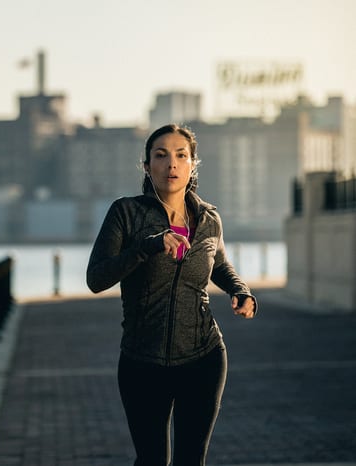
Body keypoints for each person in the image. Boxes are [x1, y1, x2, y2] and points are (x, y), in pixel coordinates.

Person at [86, 123, 256, 466]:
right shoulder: (126, 213)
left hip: (204, 357)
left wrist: (241, 291)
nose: (171, 164)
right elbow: (96, 278)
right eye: (160, 156)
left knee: (191, 460)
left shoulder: (209, 218)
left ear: (193, 164)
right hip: (142, 360)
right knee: (151, 460)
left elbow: (220, 265)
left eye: (181, 155)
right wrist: (147, 247)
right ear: (147, 166)